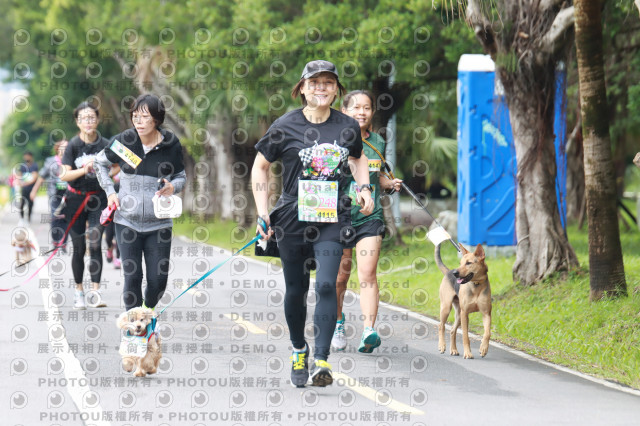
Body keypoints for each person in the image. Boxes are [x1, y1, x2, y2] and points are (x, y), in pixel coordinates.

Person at [252, 60, 374, 388]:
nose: (321, 87)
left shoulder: (346, 126)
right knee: (296, 290)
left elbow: (358, 157)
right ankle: (298, 349)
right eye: (314, 82)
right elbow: (260, 166)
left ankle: (321, 358)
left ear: (336, 90)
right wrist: (263, 211)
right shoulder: (284, 125)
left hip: (332, 217)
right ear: (302, 88)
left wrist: (364, 187)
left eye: (328, 83)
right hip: (292, 218)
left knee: (325, 285)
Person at [95, 94, 185, 312]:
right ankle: (133, 329)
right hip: (127, 222)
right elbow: (100, 163)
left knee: (158, 282)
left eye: (144, 117)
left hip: (160, 224)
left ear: (157, 119)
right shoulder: (125, 141)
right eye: (135, 116)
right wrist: (110, 193)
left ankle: (146, 313)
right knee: (132, 277)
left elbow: (180, 176)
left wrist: (173, 187)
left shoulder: (171, 144)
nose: (138, 121)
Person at [331, 90, 403, 353]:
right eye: (355, 108)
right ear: (344, 111)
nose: (361, 112)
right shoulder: (333, 140)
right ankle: (338, 322)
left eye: (367, 108)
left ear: (372, 112)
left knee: (368, 274)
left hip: (369, 218)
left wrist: (389, 183)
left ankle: (369, 330)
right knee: (340, 277)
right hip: (338, 218)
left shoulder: (377, 142)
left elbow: (375, 177)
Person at [60, 102, 110, 310]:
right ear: (77, 122)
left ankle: (95, 292)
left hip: (99, 199)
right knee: (79, 247)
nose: (88, 121)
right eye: (83, 118)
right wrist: (85, 169)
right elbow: (64, 174)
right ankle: (79, 292)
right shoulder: (72, 145)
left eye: (92, 117)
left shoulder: (105, 144)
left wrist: (104, 176)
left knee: (96, 243)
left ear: (97, 120)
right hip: (75, 200)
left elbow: (117, 167)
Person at [30, 140, 69, 251]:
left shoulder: (71, 160)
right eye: (63, 147)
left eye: (67, 147)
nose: (65, 149)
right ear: (58, 148)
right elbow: (41, 176)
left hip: (68, 194)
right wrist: (34, 191)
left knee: (66, 218)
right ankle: (56, 241)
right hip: (55, 194)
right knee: (55, 217)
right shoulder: (50, 161)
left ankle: (63, 243)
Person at [18, 151, 39, 224]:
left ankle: (29, 218)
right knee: (22, 204)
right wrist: (20, 182)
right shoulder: (23, 166)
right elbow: (20, 175)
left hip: (31, 189)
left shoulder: (34, 166)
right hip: (24, 189)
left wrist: (25, 183)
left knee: (30, 205)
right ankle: (21, 218)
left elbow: (34, 177)